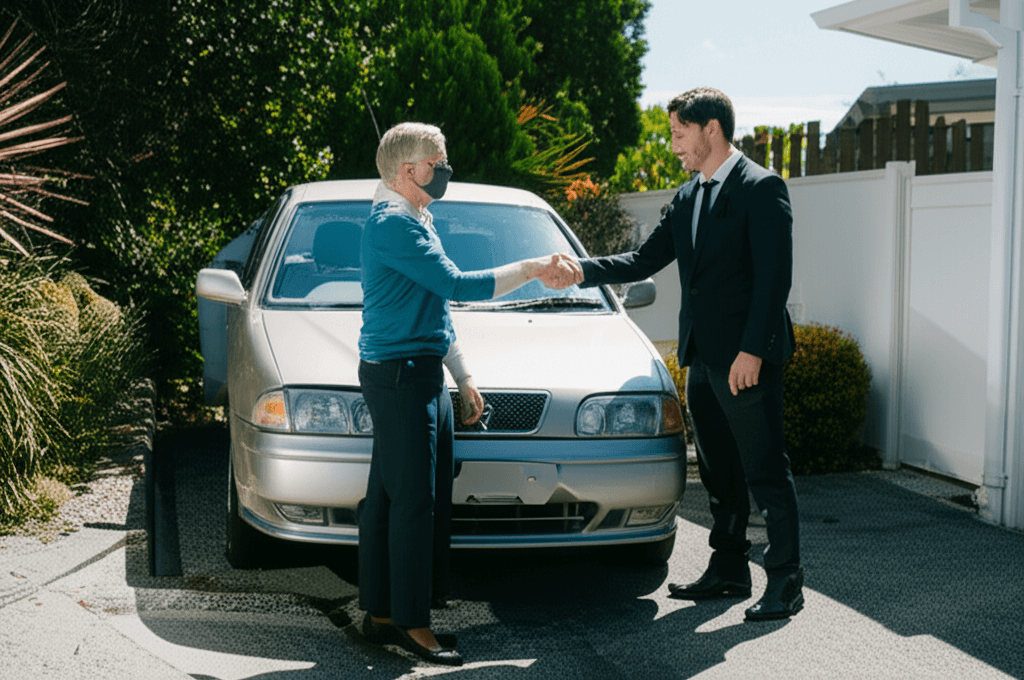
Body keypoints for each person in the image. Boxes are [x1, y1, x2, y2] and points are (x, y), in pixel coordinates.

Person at [556, 88, 803, 621]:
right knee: (719, 473)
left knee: (764, 470)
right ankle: (730, 567)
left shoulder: (762, 189)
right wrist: (581, 270)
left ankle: (786, 579)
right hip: (701, 360)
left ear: (710, 129)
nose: (673, 147)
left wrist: (751, 353)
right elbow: (644, 259)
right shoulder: (689, 196)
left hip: (745, 363)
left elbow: (773, 281)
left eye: (678, 134)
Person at [356, 121, 581, 665]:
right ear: (409, 170)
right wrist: (532, 267)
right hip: (401, 375)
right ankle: (412, 624)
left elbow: (435, 307)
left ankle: (383, 611)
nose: (445, 170)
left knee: (392, 496)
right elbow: (460, 285)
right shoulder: (394, 226)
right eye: (438, 162)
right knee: (413, 502)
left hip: (416, 370)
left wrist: (463, 376)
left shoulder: (415, 217)